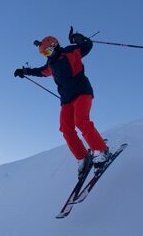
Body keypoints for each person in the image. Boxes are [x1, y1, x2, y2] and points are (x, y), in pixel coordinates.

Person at [14, 27, 109, 176]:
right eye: (44, 53)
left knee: (81, 122)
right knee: (66, 129)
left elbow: (87, 46)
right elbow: (40, 72)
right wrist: (25, 71)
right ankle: (83, 158)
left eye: (48, 51)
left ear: (55, 45)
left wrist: (78, 38)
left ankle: (101, 150)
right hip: (66, 99)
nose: (47, 55)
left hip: (82, 92)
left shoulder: (70, 52)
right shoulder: (51, 65)